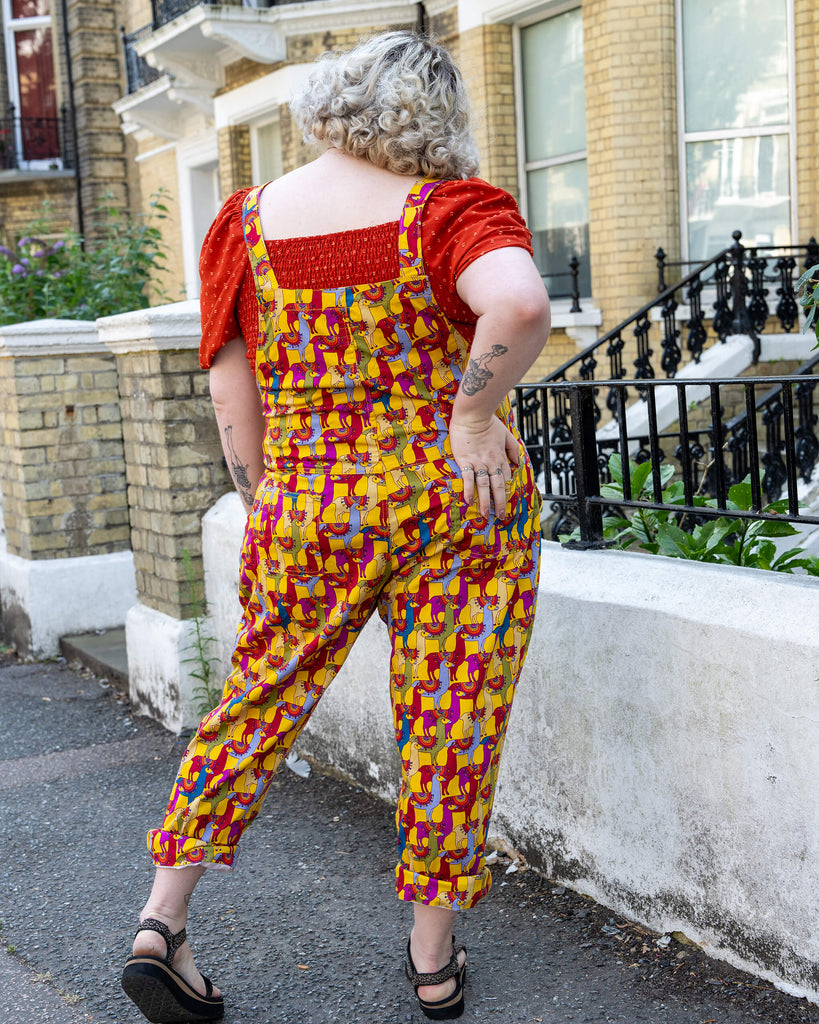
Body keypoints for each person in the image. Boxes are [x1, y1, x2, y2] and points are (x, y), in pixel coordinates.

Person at [121, 30, 549, 1023]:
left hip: (310, 501)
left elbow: (232, 386)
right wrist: (472, 415)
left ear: (336, 101)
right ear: (437, 119)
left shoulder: (244, 224)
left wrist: (267, 499)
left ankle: (161, 920)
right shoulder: (450, 213)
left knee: (256, 706)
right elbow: (519, 303)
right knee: (452, 719)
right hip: (456, 505)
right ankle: (434, 961)